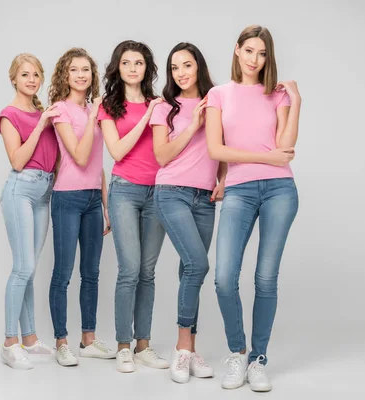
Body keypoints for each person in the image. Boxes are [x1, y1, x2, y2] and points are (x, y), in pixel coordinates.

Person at [205, 25, 302, 392]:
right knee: (224, 277)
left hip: (280, 189)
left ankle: (258, 358)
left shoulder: (276, 95)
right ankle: (236, 351)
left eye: (262, 54)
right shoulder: (219, 94)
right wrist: (264, 158)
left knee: (265, 278)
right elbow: (216, 149)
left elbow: (286, 147)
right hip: (240, 190)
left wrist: (296, 102)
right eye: (249, 51)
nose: (254, 60)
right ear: (237, 50)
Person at [150, 42, 226, 383]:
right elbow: (162, 156)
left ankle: (192, 349)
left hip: (205, 198)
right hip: (171, 193)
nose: (180, 73)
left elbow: (224, 145)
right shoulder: (164, 107)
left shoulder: (217, 102)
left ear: (199, 67)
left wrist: (222, 179)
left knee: (188, 273)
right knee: (198, 265)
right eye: (175, 67)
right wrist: (193, 125)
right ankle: (182, 347)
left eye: (187, 65)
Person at [98, 40, 168, 373]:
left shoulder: (160, 103)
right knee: (129, 270)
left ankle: (144, 345)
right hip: (125, 191)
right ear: (118, 67)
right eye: (126, 62)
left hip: (158, 193)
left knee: (147, 272)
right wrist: (147, 117)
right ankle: (123, 345)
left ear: (147, 68)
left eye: (138, 62)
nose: (132, 68)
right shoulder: (109, 106)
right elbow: (117, 151)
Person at [47, 47, 114, 367]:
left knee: (92, 272)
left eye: (86, 69)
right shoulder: (60, 110)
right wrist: (92, 118)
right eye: (74, 69)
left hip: (90, 199)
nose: (81, 74)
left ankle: (88, 338)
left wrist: (106, 204)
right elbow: (80, 155)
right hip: (67, 198)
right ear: (65, 74)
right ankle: (61, 340)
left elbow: (98, 164)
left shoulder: (94, 110)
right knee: (63, 273)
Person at [0, 53, 59, 370]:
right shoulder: (9, 115)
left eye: (36, 74)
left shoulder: (43, 111)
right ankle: (10, 343)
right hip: (20, 190)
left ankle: (30, 339)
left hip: (44, 193)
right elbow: (18, 160)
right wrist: (41, 125)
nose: (32, 79)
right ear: (14, 79)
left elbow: (57, 155)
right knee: (22, 267)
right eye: (25, 75)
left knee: (30, 268)